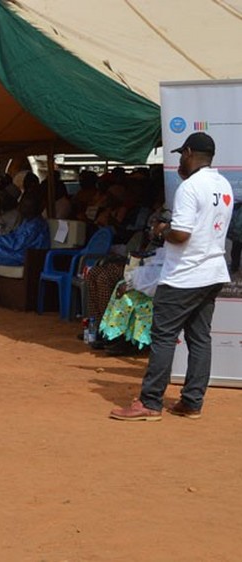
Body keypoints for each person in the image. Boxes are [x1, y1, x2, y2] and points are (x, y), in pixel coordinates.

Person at [110, 132, 233, 421]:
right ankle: (192, 402)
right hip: (213, 271)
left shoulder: (190, 188)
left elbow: (180, 235)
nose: (179, 160)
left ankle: (150, 402)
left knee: (163, 336)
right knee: (200, 338)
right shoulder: (223, 185)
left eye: (181, 155)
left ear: (189, 153)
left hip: (185, 274)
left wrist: (161, 231)